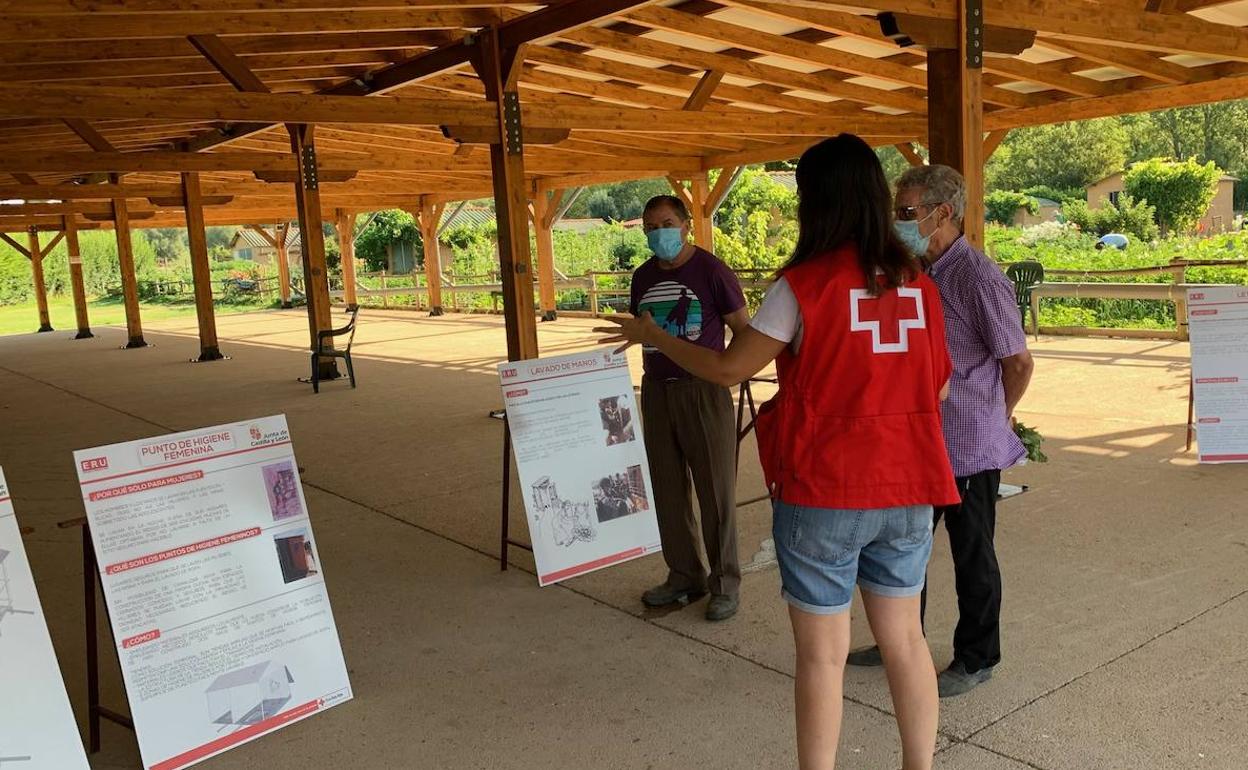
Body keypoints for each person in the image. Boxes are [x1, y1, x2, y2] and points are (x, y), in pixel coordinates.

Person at [599, 134, 959, 770]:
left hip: (826, 486)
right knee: (906, 640)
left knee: (822, 655)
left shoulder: (803, 286)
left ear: (813, 201)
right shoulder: (918, 284)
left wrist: (654, 337)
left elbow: (729, 367)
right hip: (909, 485)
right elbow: (940, 381)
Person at [847, 165, 1036, 699]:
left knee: (972, 552)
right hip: (919, 441)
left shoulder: (978, 277)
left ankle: (977, 656)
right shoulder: (909, 270)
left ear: (943, 214)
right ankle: (899, 641)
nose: (898, 222)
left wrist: (999, 415)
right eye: (896, 212)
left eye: (907, 213)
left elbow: (1017, 362)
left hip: (969, 445)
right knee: (900, 550)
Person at [629, 194, 749, 622]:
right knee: (666, 486)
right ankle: (684, 574)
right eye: (649, 226)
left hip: (703, 390)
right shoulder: (642, 277)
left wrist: (724, 372)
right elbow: (642, 329)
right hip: (658, 389)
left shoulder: (713, 271)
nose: (656, 233)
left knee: (715, 489)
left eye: (664, 223)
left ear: (684, 226)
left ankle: (724, 583)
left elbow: (744, 331)